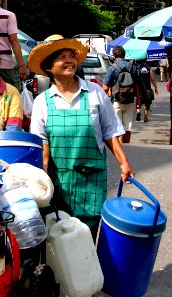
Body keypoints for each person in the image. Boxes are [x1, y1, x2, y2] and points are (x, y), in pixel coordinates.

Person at [28, 35, 135, 240]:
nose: (69, 60)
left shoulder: (94, 93)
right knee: (60, 238)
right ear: (50, 67)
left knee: (88, 234)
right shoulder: (42, 101)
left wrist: (124, 163)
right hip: (58, 180)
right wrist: (40, 180)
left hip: (91, 179)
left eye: (71, 56)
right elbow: (42, 145)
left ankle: (89, 270)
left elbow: (110, 131)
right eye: (61, 57)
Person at [103, 46, 141, 143]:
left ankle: (120, 147)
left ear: (114, 56)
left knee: (117, 127)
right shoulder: (132, 67)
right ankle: (127, 146)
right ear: (124, 55)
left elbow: (106, 87)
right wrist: (138, 102)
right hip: (130, 100)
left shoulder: (112, 68)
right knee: (127, 127)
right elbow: (137, 86)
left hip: (116, 100)